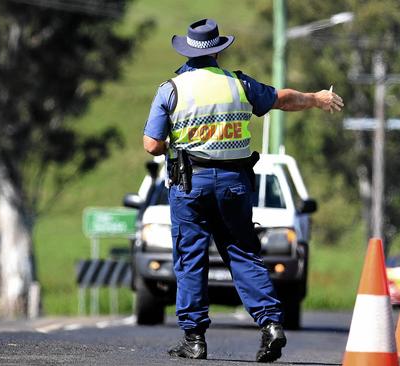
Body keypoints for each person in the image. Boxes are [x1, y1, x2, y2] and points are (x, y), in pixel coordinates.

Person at [142, 18, 343, 362]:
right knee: (243, 253)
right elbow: (282, 99)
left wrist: (174, 144)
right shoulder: (239, 84)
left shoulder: (171, 90)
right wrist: (316, 98)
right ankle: (270, 325)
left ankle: (194, 338)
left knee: (190, 258)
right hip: (235, 183)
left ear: (188, 52)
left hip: (191, 184)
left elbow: (151, 145)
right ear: (218, 51)